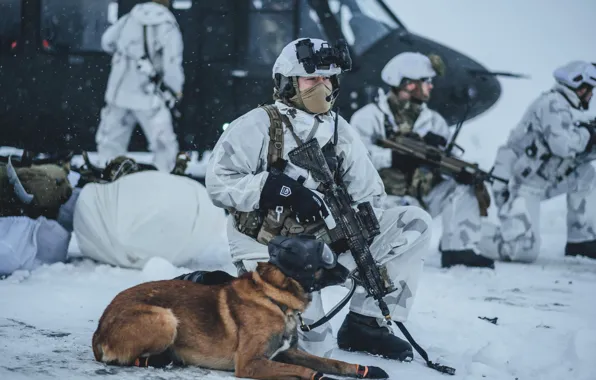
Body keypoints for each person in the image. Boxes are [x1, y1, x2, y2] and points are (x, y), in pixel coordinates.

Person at [206, 38, 433, 362]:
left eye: (328, 78)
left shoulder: (341, 130)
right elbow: (218, 182)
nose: (322, 85)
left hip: (325, 241)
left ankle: (366, 324)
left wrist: (351, 228)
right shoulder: (258, 124)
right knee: (310, 352)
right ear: (288, 82)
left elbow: (371, 193)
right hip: (269, 247)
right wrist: (278, 188)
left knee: (414, 222)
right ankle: (231, 302)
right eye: (312, 79)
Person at [350, 52, 494, 269]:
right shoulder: (368, 118)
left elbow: (445, 161)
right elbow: (354, 159)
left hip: (421, 196)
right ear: (408, 85)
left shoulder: (434, 122)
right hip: (383, 200)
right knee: (386, 255)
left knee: (464, 187)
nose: (431, 86)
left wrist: (457, 171)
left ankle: (458, 249)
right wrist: (392, 158)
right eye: (426, 81)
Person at [480, 60, 596, 262]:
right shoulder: (552, 104)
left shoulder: (568, 109)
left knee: (586, 174)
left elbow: (576, 154)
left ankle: (581, 239)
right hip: (519, 185)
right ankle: (468, 236)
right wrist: (588, 133)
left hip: (545, 181)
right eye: (590, 90)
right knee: (523, 251)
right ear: (580, 88)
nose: (592, 95)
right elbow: (563, 146)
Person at [95, 0, 184, 172]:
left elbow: (107, 41)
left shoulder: (130, 17)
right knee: (163, 147)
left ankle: (108, 182)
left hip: (119, 93)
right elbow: (172, 64)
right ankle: (163, 185)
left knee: (110, 145)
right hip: (148, 96)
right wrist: (175, 91)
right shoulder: (167, 24)